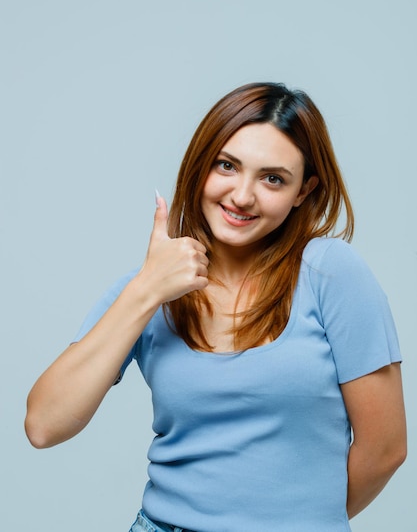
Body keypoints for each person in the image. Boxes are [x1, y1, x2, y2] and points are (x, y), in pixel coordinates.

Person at [25, 82, 407, 532]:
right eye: (227, 165)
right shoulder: (148, 291)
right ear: (200, 165)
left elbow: (385, 449)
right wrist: (147, 290)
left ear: (303, 191)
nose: (242, 196)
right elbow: (43, 425)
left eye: (272, 178)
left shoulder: (331, 274)